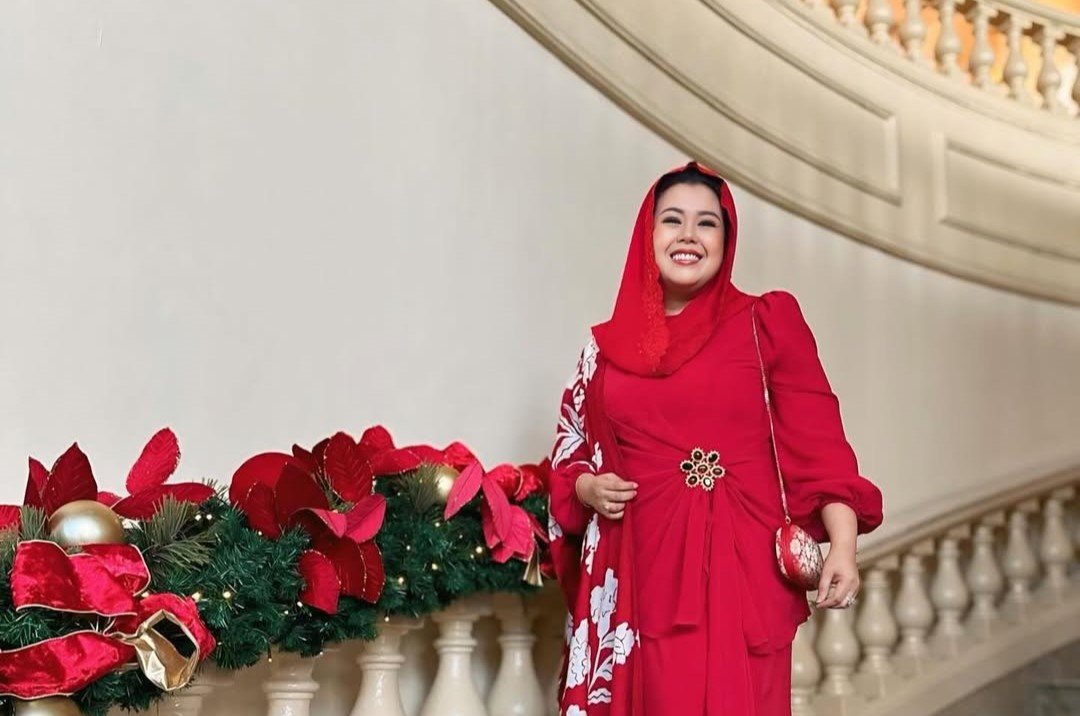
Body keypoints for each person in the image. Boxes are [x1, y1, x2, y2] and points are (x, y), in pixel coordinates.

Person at [546, 161, 883, 715]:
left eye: (707, 223)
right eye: (672, 220)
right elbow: (571, 449)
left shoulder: (766, 322)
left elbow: (819, 447)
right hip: (637, 569)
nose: (688, 236)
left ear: (726, 240)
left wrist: (843, 546)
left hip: (739, 568)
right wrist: (586, 489)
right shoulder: (602, 350)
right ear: (647, 233)